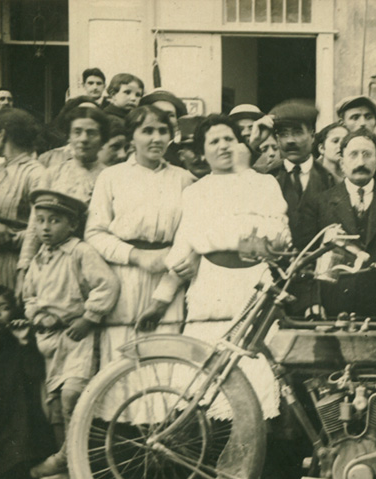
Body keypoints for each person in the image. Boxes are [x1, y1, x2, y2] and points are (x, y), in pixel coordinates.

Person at [137, 114, 288, 421]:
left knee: (257, 385)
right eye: (214, 141)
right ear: (203, 152)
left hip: (253, 285)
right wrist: (159, 302)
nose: (223, 146)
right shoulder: (195, 192)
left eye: (229, 139)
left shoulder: (263, 184)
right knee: (206, 390)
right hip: (210, 289)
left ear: (241, 144)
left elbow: (279, 237)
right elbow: (186, 248)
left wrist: (238, 239)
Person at [85, 105, 195, 371]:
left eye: (162, 131)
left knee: (165, 362)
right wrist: (137, 256)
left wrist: (170, 283)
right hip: (124, 279)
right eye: (147, 131)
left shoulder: (184, 179)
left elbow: (190, 237)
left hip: (169, 281)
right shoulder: (111, 177)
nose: (156, 138)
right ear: (131, 136)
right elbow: (94, 234)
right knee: (123, 363)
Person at [22, 191, 120, 479]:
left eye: (54, 221)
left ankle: (68, 459)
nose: (46, 228)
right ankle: (70, 470)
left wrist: (89, 317)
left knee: (73, 395)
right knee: (52, 404)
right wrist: (36, 315)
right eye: (40, 221)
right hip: (50, 341)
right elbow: (30, 296)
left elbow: (107, 285)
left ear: (73, 225)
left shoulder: (80, 252)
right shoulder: (40, 258)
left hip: (77, 337)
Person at [297, 129, 376, 318]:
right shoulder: (319, 203)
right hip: (330, 310)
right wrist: (312, 301)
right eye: (353, 155)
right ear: (342, 163)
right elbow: (304, 257)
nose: (361, 162)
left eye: (367, 155)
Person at [19, 107, 110, 274]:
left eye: (91, 133)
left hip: (94, 264)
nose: (83, 139)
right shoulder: (52, 174)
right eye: (77, 132)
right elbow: (34, 224)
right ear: (69, 136)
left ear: (102, 139)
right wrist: (24, 265)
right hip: (51, 263)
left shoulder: (110, 177)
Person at [0, 285, 55, 479]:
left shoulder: (16, 339)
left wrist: (24, 341)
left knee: (19, 461)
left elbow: (35, 374)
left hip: (12, 415)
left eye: (4, 307)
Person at [0, 108, 48, 290]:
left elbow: (38, 228)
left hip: (15, 264)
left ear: (2, 134)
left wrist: (9, 236)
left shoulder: (36, 173)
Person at [265, 100, 334, 237]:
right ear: (277, 139)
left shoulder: (329, 179)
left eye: (297, 132)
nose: (290, 140)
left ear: (312, 136)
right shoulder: (266, 177)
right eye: (284, 134)